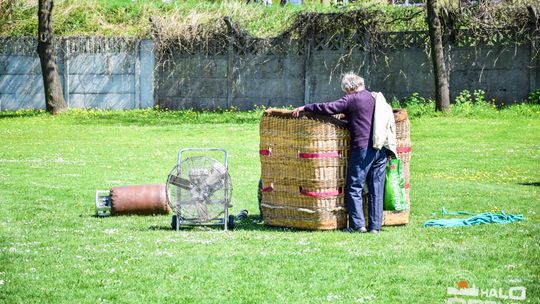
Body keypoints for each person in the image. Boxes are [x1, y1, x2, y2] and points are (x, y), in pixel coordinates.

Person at [292, 72, 396, 234]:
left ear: (350, 88)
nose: (345, 94)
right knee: (376, 188)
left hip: (362, 149)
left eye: (345, 91)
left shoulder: (351, 99)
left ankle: (358, 225)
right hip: (381, 147)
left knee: (354, 187)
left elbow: (328, 108)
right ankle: (375, 227)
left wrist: (306, 107)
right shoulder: (375, 98)